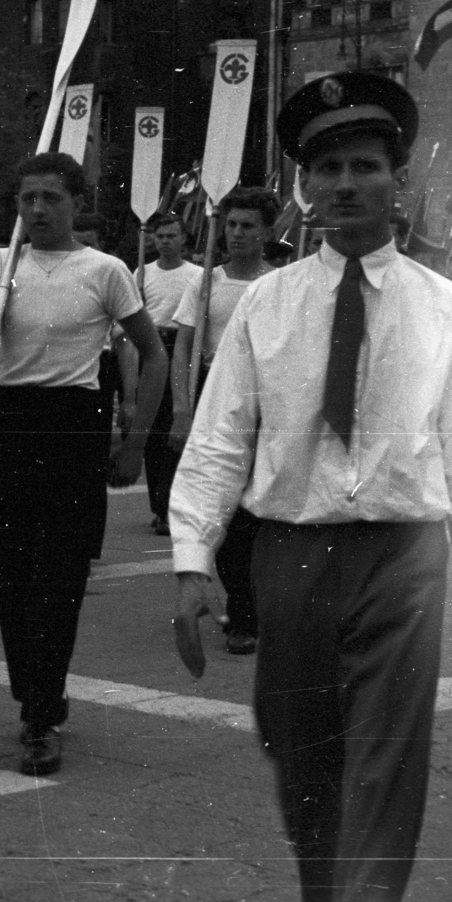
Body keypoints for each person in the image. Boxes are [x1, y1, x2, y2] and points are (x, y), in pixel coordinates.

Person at [172, 72, 452, 902]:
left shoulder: (445, 306)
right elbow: (219, 435)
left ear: (399, 181)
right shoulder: (267, 304)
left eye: (366, 166)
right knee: (300, 750)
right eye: (328, 169)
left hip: (403, 558)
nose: (347, 184)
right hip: (291, 557)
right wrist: (192, 557)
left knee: (387, 759)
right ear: (305, 186)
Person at [0, 152, 166, 777]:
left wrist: (135, 443)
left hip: (74, 425)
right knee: (14, 573)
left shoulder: (106, 270)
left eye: (51, 198)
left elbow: (151, 353)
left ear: (75, 203)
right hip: (9, 422)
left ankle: (43, 706)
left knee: (61, 576)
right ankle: (35, 700)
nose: (37, 210)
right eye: (27, 199)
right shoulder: (3, 266)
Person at [167, 187, 279, 656]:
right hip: (215, 395)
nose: (236, 233)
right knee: (225, 508)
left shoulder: (280, 284)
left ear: (266, 232)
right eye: (231, 224)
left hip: (266, 403)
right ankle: (242, 614)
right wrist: (182, 408)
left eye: (247, 226)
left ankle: (256, 605)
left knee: (258, 512)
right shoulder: (206, 283)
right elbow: (183, 350)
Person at [137, 215, 202, 534]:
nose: (164, 241)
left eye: (171, 236)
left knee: (178, 431)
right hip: (151, 349)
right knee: (154, 433)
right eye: (160, 236)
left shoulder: (197, 275)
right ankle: (160, 507)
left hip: (182, 347)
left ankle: (177, 505)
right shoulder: (142, 272)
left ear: (183, 239)